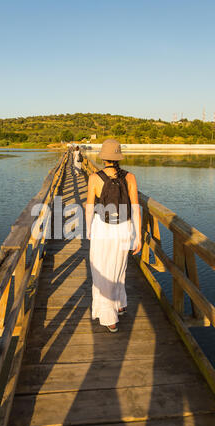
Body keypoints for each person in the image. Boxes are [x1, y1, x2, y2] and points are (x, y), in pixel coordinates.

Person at [85, 139, 142, 333]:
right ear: (119, 157)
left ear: (104, 157)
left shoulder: (94, 178)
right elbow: (135, 209)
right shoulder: (130, 177)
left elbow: (90, 207)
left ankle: (109, 317)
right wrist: (139, 236)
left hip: (103, 227)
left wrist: (88, 229)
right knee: (119, 267)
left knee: (102, 269)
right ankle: (120, 303)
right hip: (124, 228)